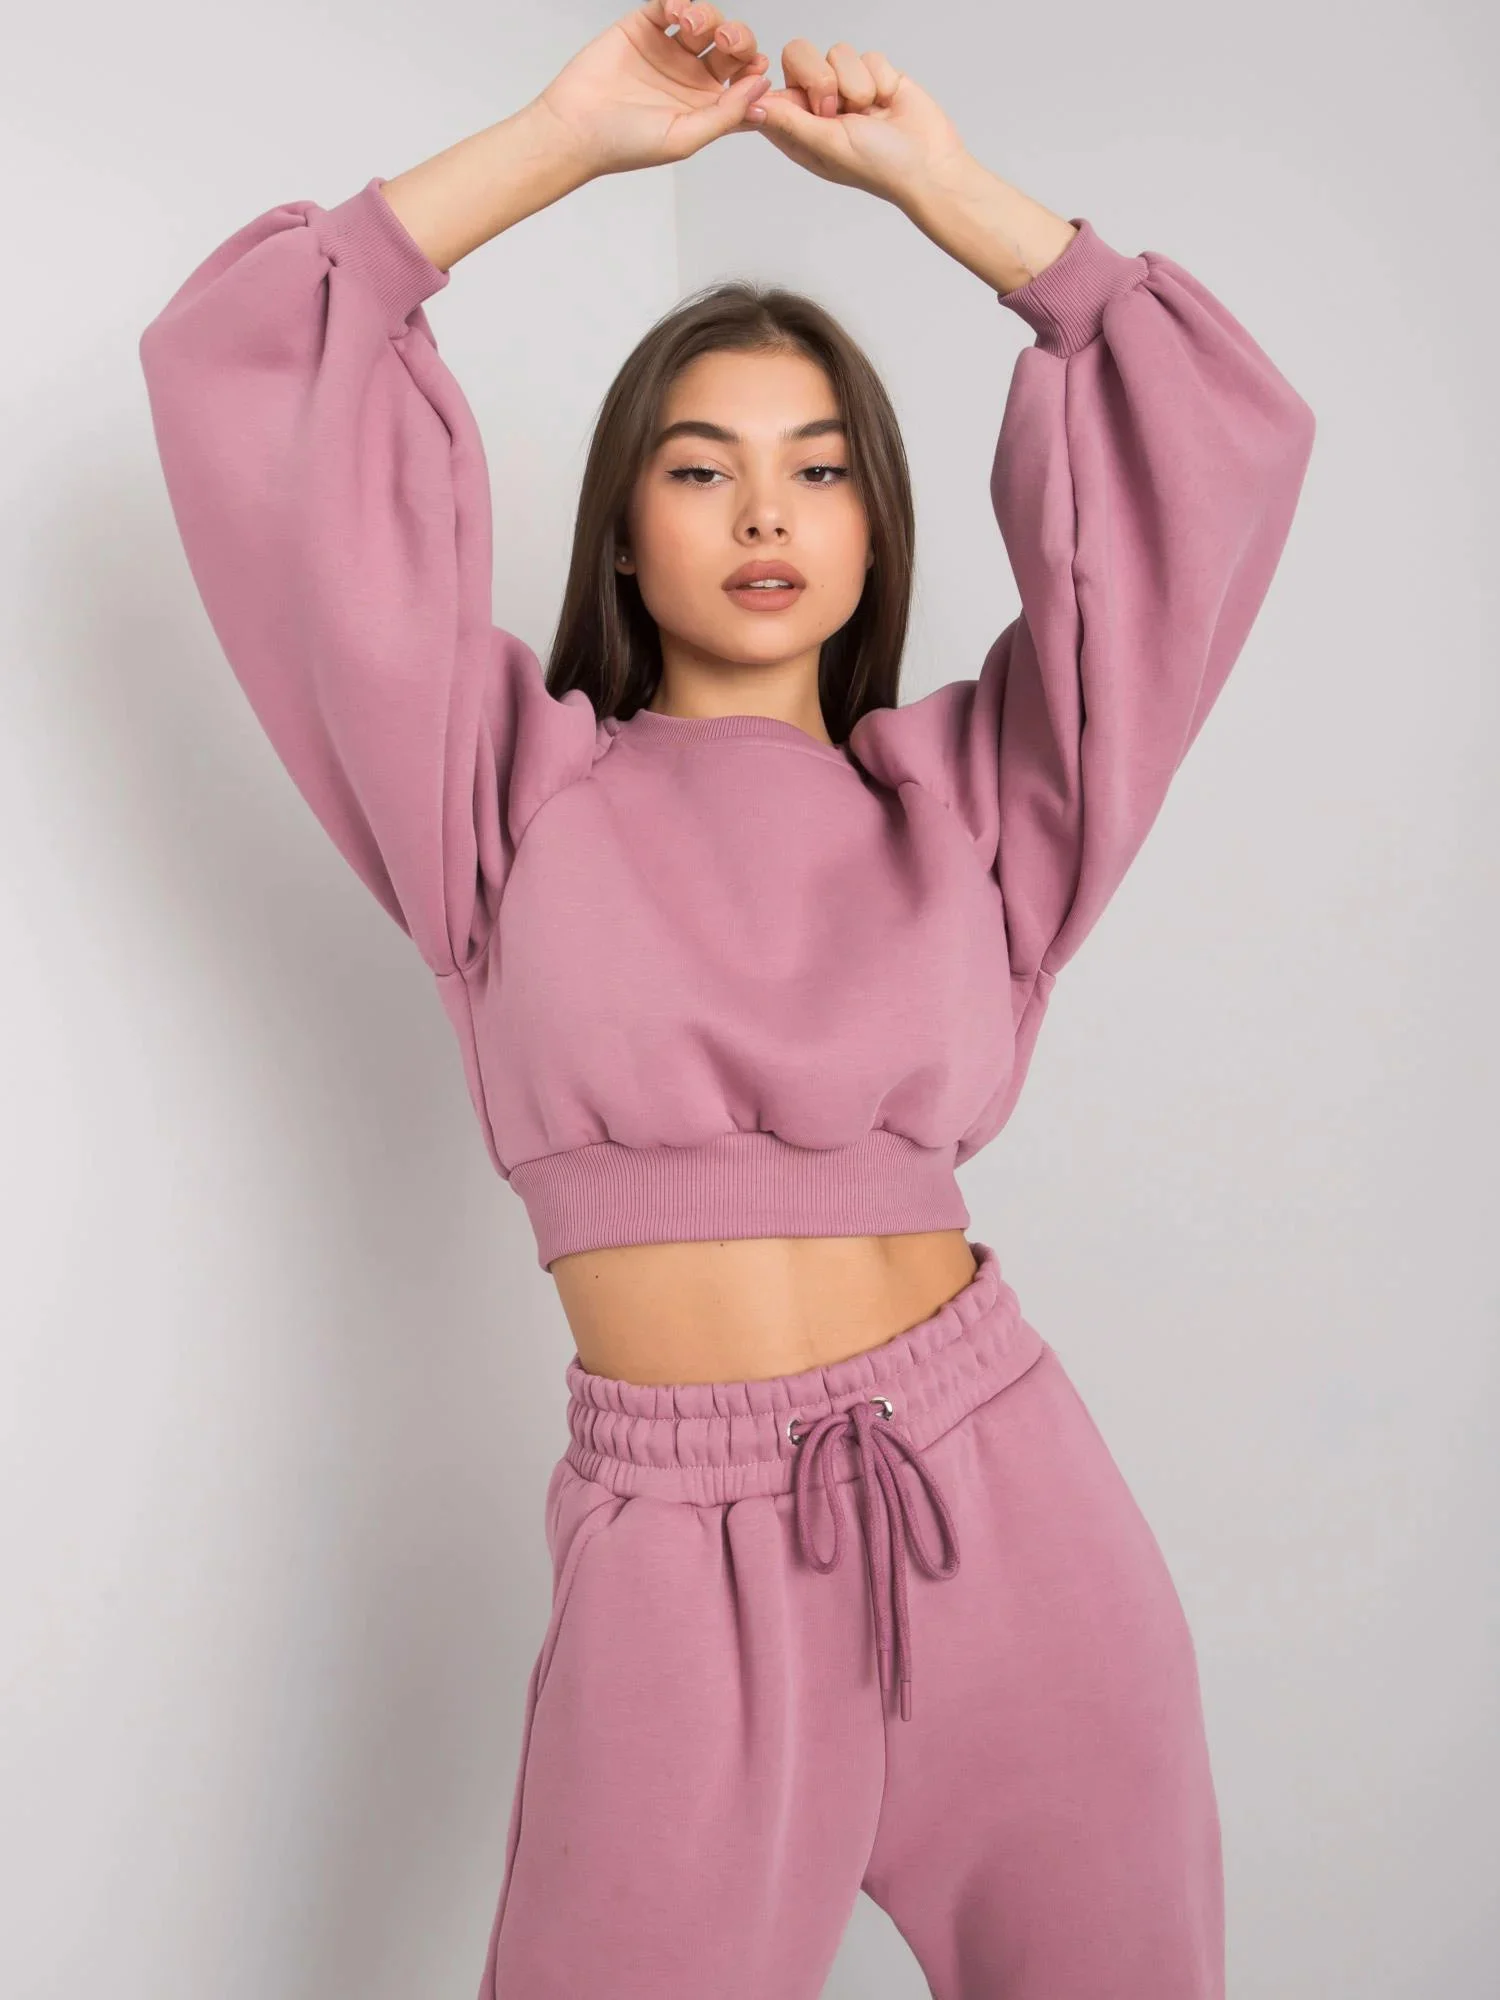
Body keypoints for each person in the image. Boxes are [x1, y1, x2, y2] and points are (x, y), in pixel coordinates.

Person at [137, 4, 1316, 1994]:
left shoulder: (982, 805)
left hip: (1010, 1511)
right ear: (624, 527)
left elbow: (1213, 442)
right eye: (703, 468)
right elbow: (245, 364)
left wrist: (942, 189)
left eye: (819, 469)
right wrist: (568, 137)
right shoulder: (496, 793)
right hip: (672, 1568)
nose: (767, 514)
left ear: (871, 526)